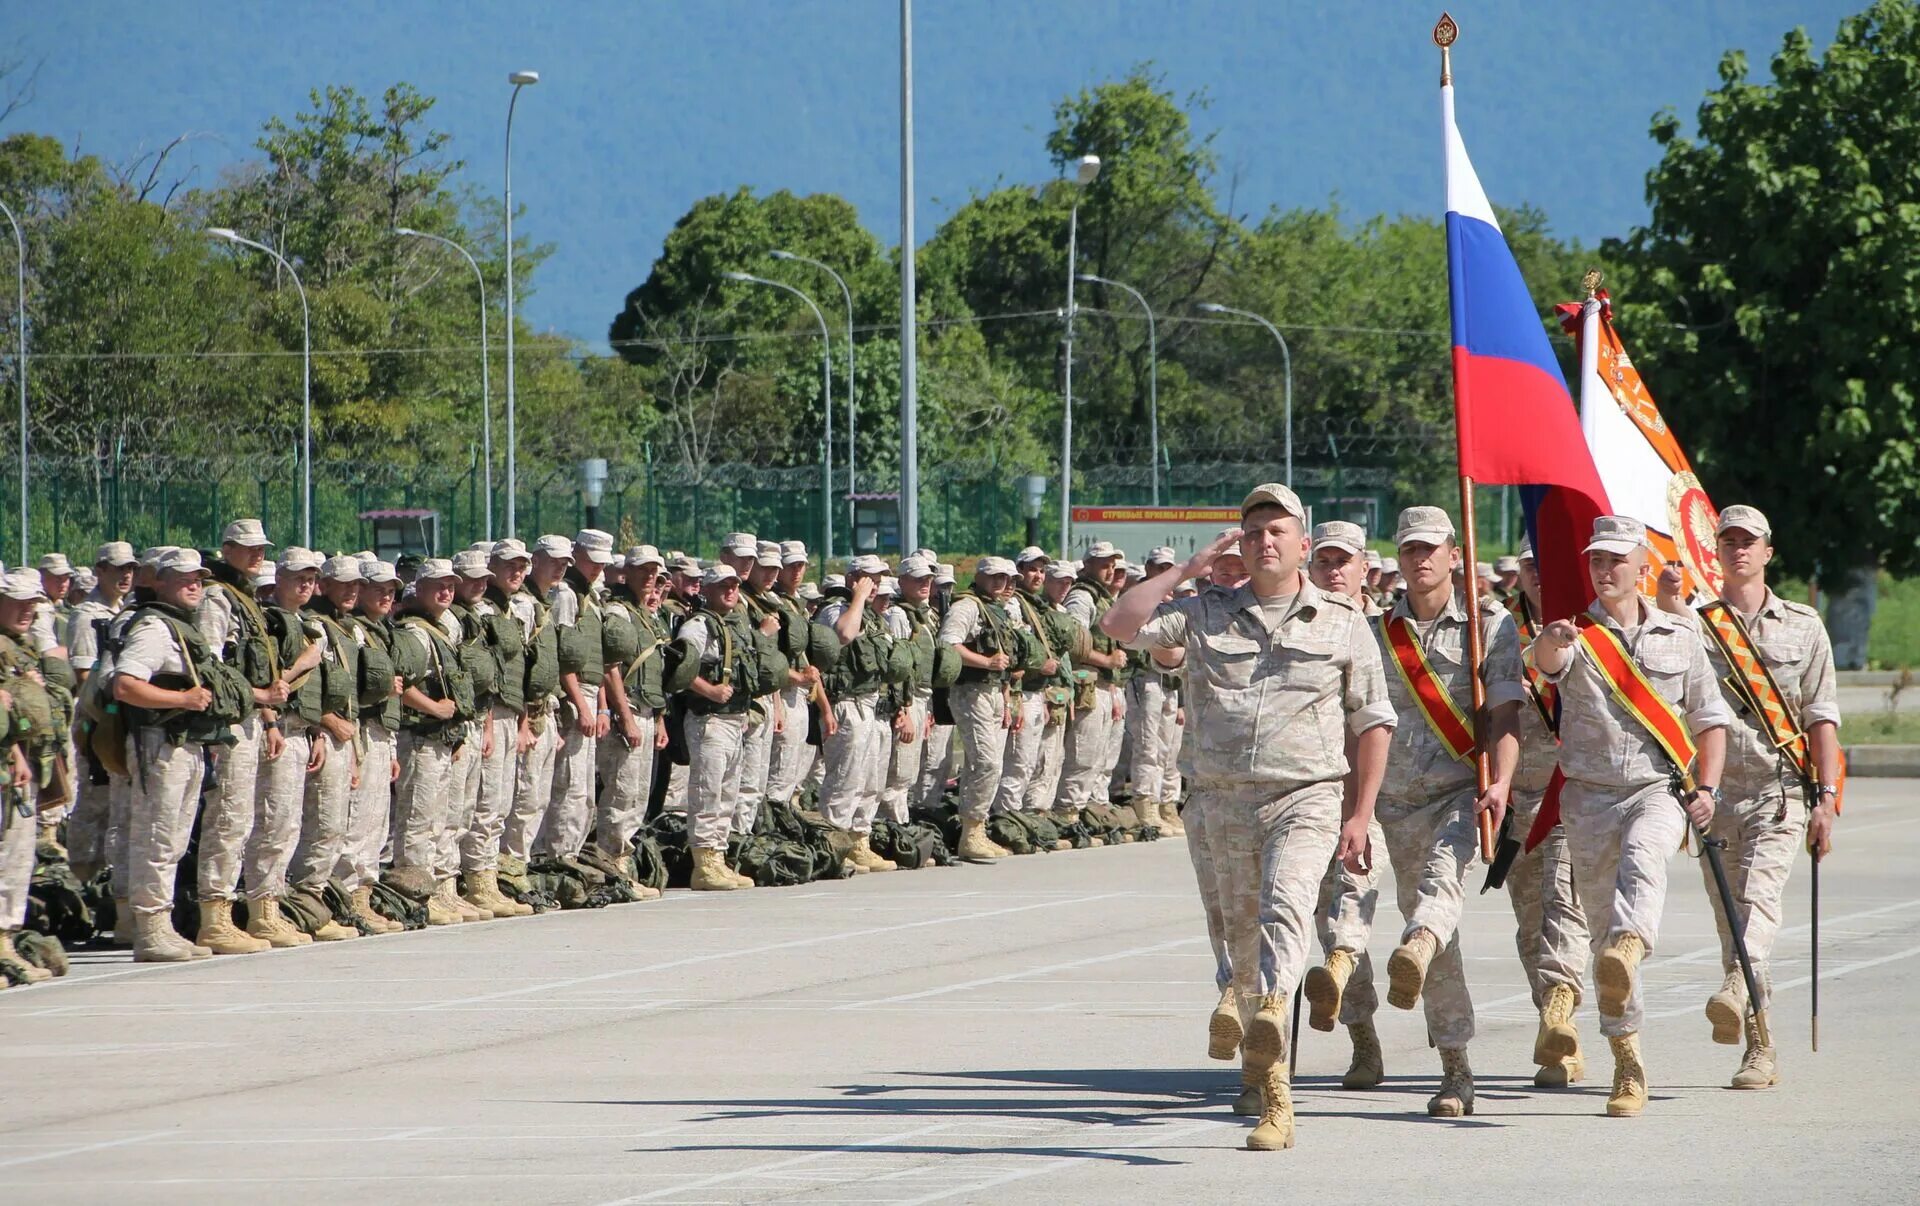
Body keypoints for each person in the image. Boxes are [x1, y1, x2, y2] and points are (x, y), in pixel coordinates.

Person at [1102, 484, 1393, 1152]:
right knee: (1238, 944)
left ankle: (1277, 1087)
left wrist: (1360, 814)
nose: (1265, 541)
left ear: (1303, 545)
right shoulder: (1205, 611)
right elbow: (1119, 624)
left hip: (1307, 796)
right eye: (1254, 530)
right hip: (1220, 802)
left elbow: (1374, 721)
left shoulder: (1342, 621)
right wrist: (1187, 570)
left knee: (1284, 912)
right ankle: (1258, 1052)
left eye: (1278, 530)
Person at [1529, 514, 1730, 1118]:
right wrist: (1551, 641)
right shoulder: (1574, 635)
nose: (1604, 568)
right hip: (1588, 798)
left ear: (1643, 565)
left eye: (1616, 558)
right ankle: (1627, 1060)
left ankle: (1632, 941)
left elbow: (1709, 719)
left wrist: (1709, 788)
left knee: (1643, 866)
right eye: (1596, 559)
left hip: (1655, 789)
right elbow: (1543, 663)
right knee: (1601, 939)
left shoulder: (1680, 634)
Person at [1656, 504, 1840, 1090]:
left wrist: (1827, 798)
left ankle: (1739, 990)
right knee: (1731, 922)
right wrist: (1666, 604)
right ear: (1716, 550)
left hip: (1778, 792)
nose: (1739, 550)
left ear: (1768, 551)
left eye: (1749, 541)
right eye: (1729, 540)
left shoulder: (1803, 626)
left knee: (1758, 905)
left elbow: (1821, 716)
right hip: (1715, 799)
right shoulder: (1695, 624)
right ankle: (1760, 1047)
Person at [1364, 507, 1524, 1117]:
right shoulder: (1376, 632)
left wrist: (1501, 781)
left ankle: (1419, 942)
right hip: (1393, 802)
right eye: (1410, 549)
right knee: (1436, 940)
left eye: (1431, 548)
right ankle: (1456, 1068)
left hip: (1461, 791)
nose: (1420, 558)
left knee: (1438, 895)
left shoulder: (1490, 625)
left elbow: (1505, 713)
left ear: (1455, 554)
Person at [113, 549, 252, 961]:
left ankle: (162, 924)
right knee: (156, 837)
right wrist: (183, 699)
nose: (194, 585)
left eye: (198, 579)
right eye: (183, 578)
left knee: (173, 840)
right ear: (160, 581)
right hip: (159, 743)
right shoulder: (154, 627)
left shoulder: (179, 625)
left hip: (184, 743)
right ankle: (150, 929)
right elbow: (125, 685)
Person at [1299, 519, 1393, 1089]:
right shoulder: (1300, 623)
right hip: (1320, 794)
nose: (1333, 571)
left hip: (1394, 795)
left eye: (1344, 561)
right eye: (1324, 561)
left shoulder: (1395, 632)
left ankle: (1454, 1054)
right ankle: (1364, 1040)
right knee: (1328, 918)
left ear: (1366, 569)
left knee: (1359, 902)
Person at [1504, 537, 1594, 1088]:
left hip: (1571, 790)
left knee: (1564, 903)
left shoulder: (1587, 625)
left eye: (1546, 562)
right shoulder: (1497, 627)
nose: (1539, 573)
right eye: (1529, 564)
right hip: (1518, 797)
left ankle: (1560, 1012)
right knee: (1530, 923)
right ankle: (1557, 1027)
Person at [196, 521, 309, 952]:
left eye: (261, 548)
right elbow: (211, 666)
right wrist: (260, 698)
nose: (257, 554)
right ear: (227, 550)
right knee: (229, 818)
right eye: (247, 548)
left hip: (252, 719)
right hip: (229, 723)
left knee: (265, 818)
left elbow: (253, 665)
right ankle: (215, 917)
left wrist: (268, 717)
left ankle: (265, 910)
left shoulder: (244, 597)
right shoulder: (217, 598)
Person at [244, 547, 330, 947]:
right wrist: (270, 721)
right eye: (299, 578)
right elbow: (264, 679)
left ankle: (276, 905)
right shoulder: (268, 621)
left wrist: (317, 733)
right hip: (276, 729)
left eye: (311, 579)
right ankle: (262, 910)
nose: (306, 585)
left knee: (289, 824)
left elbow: (311, 692)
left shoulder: (303, 622)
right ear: (278, 579)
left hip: (300, 731)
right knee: (272, 823)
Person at [392, 559, 480, 925]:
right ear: (421, 588)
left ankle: (441, 890)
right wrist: (435, 709)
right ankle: (414, 895)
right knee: (419, 820)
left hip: (443, 738)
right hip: (421, 737)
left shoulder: (443, 627)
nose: (446, 592)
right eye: (438, 585)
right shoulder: (413, 632)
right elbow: (399, 684)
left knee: (443, 819)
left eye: (450, 586)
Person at [285, 555, 363, 942]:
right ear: (325, 587)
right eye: (343, 584)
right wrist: (325, 726)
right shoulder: (313, 626)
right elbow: (310, 689)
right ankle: (306, 904)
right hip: (322, 732)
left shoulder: (343, 627)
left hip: (342, 735)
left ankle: (318, 902)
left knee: (336, 826)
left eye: (355, 585)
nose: (351, 591)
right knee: (320, 825)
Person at [938, 557, 1027, 861]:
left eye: (1009, 579)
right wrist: (986, 662)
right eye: (997, 577)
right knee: (985, 762)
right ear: (980, 577)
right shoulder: (967, 606)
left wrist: (1006, 695)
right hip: (971, 692)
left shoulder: (998, 610)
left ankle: (977, 828)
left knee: (993, 765)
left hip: (994, 692)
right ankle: (970, 832)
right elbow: (949, 644)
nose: (1004, 584)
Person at [675, 564, 756, 890]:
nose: (731, 591)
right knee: (707, 791)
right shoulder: (698, 626)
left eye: (734, 585)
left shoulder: (733, 625)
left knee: (727, 794)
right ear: (706, 590)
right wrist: (709, 690)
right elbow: (678, 667)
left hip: (734, 720)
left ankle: (718, 857)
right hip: (709, 719)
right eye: (723, 586)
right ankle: (703, 864)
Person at [818, 555, 900, 868]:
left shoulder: (873, 616)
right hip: (846, 703)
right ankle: (833, 846)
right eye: (869, 578)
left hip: (872, 704)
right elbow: (843, 635)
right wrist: (859, 597)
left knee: (870, 781)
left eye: (878, 579)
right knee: (845, 779)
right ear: (853, 578)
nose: (875, 584)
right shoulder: (837, 609)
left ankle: (858, 841)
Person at [63, 542, 136, 887]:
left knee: (114, 805)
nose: (126, 575)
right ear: (100, 571)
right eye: (118, 569)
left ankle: (105, 878)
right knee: (93, 802)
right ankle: (81, 877)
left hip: (115, 719)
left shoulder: (124, 610)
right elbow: (83, 676)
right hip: (95, 719)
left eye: (130, 569)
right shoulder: (86, 615)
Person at [537, 529, 613, 864]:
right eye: (592, 561)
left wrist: (603, 708)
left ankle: (573, 857)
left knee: (583, 790)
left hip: (590, 694)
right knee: (570, 786)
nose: (597, 568)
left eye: (602, 563)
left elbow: (597, 659)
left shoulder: (589, 596)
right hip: (576, 694)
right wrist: (582, 705)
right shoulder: (567, 595)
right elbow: (563, 658)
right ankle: (560, 859)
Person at [340, 555, 406, 934]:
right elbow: (347, 690)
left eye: (391, 591)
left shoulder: (381, 632)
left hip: (380, 733)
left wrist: (392, 749)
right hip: (359, 732)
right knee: (358, 822)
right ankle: (349, 898)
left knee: (376, 824)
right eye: (378, 589)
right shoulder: (352, 631)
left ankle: (363, 897)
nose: (386, 596)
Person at [1, 571, 56, 983]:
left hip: (17, 762)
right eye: (18, 602)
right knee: (9, 853)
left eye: (32, 603)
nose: (28, 610)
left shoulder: (20, 648)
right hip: (9, 765)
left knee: (18, 855)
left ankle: (6, 942)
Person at [502, 537, 571, 866]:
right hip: (527, 715)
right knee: (523, 798)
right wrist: (523, 722)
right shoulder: (523, 605)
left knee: (538, 798)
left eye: (565, 563)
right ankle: (511, 865)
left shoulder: (544, 603)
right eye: (554, 561)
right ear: (537, 561)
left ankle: (521, 864)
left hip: (545, 710)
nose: (560, 568)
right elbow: (517, 669)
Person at [1060, 543, 1127, 819]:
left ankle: (1094, 813)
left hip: (1104, 685)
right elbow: (1074, 644)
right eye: (1103, 565)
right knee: (1082, 755)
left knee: (1102, 757)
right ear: (1087, 565)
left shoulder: (1103, 597)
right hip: (1087, 684)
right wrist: (1107, 661)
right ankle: (1069, 813)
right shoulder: (1082, 597)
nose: (1110, 571)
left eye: (1112, 565)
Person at [997, 549, 1062, 818]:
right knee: (1017, 763)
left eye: (1042, 571)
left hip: (1035, 692)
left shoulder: (1034, 605)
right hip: (1018, 693)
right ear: (1020, 571)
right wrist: (1037, 666)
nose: (1038, 576)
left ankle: (1020, 819)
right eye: (1032, 569)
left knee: (1030, 763)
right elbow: (1016, 653)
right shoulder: (1014, 604)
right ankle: (1006, 819)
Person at [1126, 546, 1185, 835]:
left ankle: (1166, 804)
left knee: (1170, 749)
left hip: (1170, 682)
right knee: (1148, 745)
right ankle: (1145, 803)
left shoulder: (1174, 602)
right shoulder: (1138, 599)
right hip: (1146, 677)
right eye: (1158, 568)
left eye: (1167, 569)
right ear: (1148, 568)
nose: (1163, 573)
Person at [880, 559, 938, 830]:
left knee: (908, 772)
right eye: (917, 579)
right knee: (898, 772)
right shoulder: (898, 616)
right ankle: (893, 829)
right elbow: (897, 667)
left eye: (927, 579)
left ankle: (900, 827)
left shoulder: (922, 616)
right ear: (901, 581)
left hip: (920, 699)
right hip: (907, 700)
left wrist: (927, 710)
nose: (925, 584)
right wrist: (902, 710)